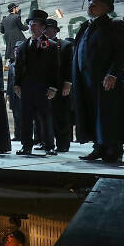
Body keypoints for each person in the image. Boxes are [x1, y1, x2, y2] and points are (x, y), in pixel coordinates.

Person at [72, 0, 124, 163]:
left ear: (106, 7)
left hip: (104, 79)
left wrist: (113, 73)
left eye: (94, 4)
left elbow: (120, 51)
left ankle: (114, 149)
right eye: (89, 3)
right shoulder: (85, 26)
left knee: (109, 113)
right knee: (92, 113)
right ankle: (98, 147)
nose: (90, 6)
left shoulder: (114, 24)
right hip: (85, 80)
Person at [14, 9, 59, 156]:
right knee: (26, 118)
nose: (32, 27)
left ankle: (49, 146)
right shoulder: (22, 46)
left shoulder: (51, 45)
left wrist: (53, 86)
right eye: (30, 24)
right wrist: (16, 84)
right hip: (27, 87)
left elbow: (54, 68)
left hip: (43, 87)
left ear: (42, 27)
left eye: (35, 24)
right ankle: (26, 146)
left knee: (46, 118)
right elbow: (18, 66)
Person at [45, 19, 74, 153]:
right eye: (45, 28)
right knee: (46, 116)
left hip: (60, 86)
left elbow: (68, 67)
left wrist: (67, 84)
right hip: (44, 87)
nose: (47, 31)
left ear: (56, 30)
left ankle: (63, 144)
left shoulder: (65, 45)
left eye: (50, 28)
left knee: (61, 116)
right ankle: (47, 142)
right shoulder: (40, 45)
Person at [7, 41, 24, 141]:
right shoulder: (11, 65)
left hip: (23, 93)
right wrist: (9, 94)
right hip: (14, 94)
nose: (16, 52)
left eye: (18, 50)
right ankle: (18, 135)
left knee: (24, 115)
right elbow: (10, 81)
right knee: (16, 115)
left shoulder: (26, 63)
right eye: (15, 50)